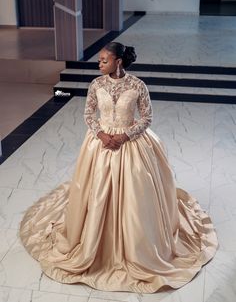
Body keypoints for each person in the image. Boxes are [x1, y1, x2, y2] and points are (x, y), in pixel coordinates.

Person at [20, 42, 218, 293]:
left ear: (118, 62)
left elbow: (147, 117)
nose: (99, 64)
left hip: (131, 143)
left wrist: (125, 136)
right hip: (100, 144)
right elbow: (88, 115)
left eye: (104, 60)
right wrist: (101, 134)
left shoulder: (137, 86)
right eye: (99, 60)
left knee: (136, 196)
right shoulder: (96, 84)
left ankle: (137, 246)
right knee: (96, 191)